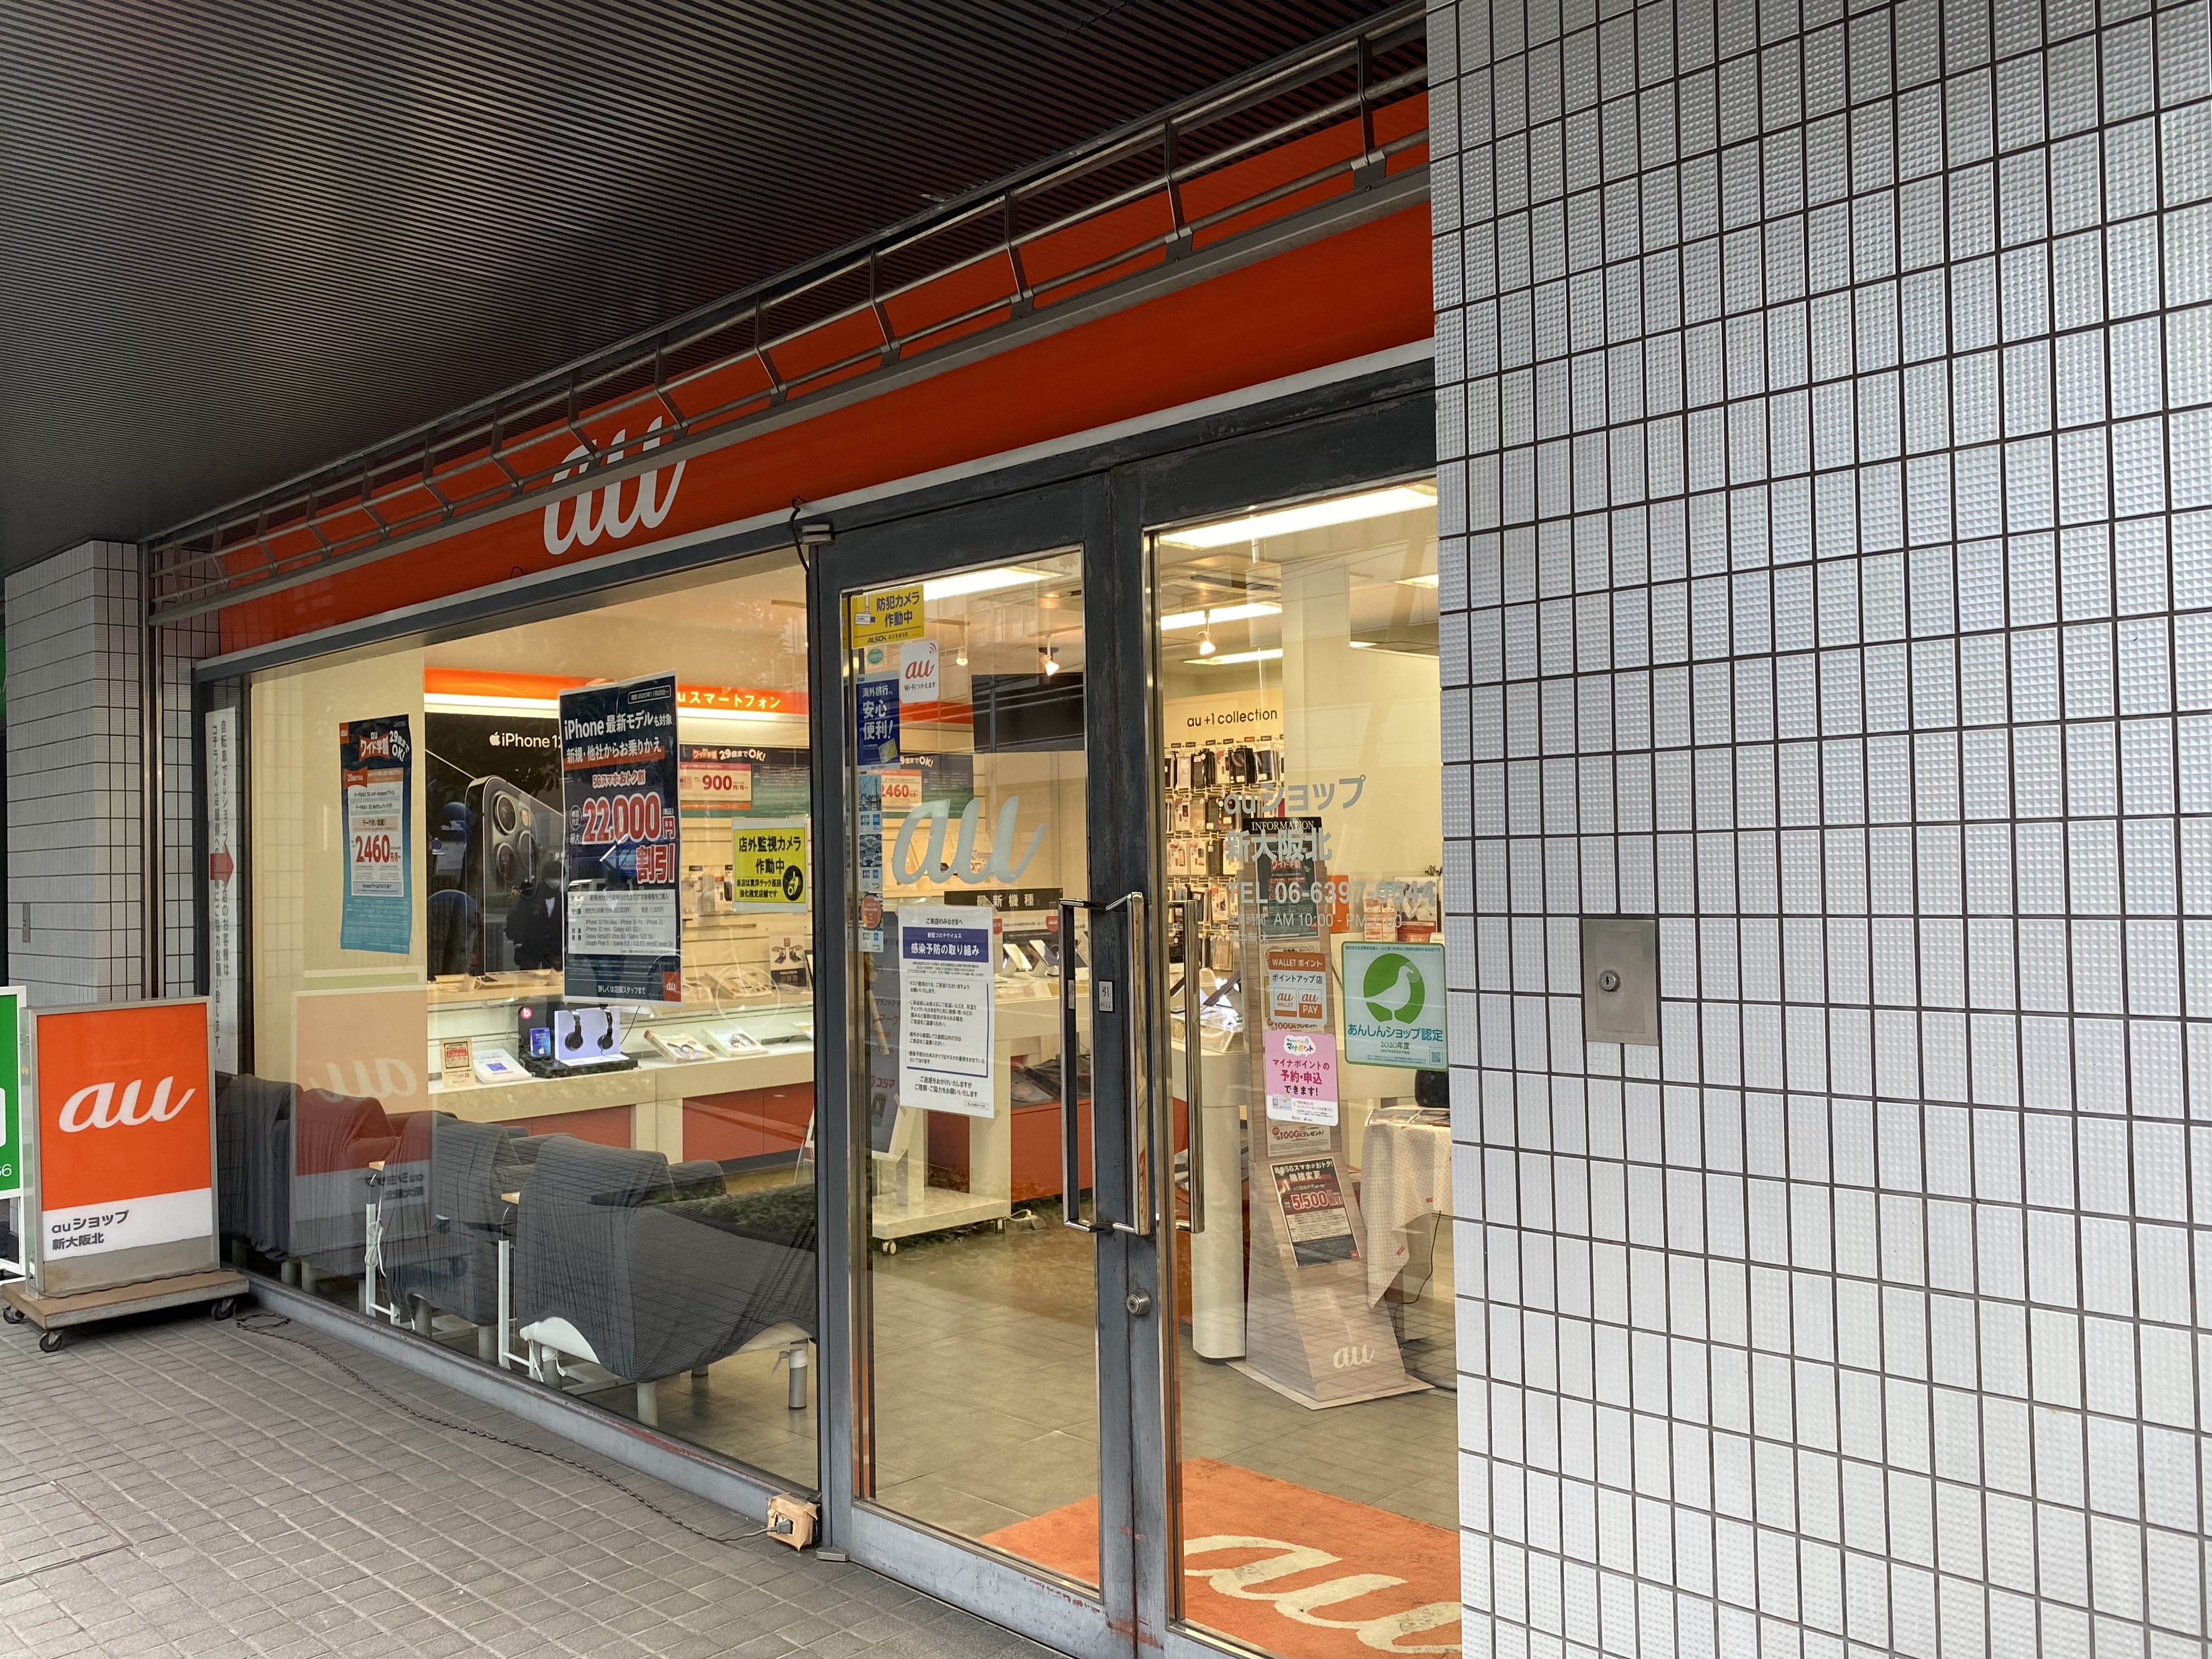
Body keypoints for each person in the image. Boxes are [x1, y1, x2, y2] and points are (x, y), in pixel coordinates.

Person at [506, 853, 565, 970]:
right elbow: (519, 921)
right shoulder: (529, 897)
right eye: (552, 878)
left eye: (559, 878)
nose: (556, 881)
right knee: (528, 979)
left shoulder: (563, 899)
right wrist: (518, 941)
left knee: (553, 980)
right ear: (544, 878)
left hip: (554, 953)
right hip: (529, 952)